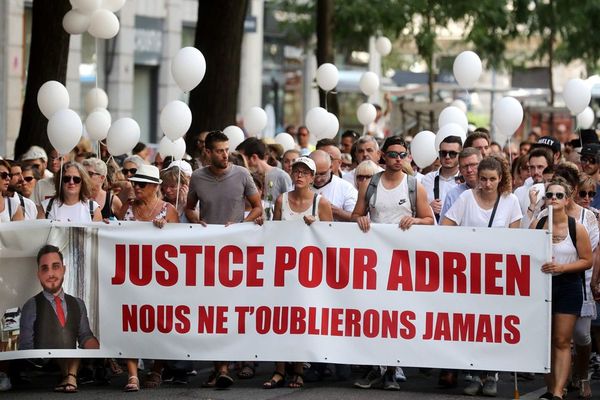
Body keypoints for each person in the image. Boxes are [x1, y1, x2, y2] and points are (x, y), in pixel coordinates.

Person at [351, 136, 434, 390]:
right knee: (376, 314)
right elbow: (357, 213)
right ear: (382, 157)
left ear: (407, 157)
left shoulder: (414, 186)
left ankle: (391, 370)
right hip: (375, 261)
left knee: (396, 315)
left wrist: (415, 221)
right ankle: (376, 367)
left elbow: (429, 219)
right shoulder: (370, 185)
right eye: (393, 154)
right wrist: (360, 220)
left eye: (402, 155)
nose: (398, 159)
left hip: (403, 261)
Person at [185, 130, 262, 389]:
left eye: (227, 149)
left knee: (232, 309)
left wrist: (241, 223)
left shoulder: (241, 174)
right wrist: (197, 219)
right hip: (208, 253)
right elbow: (188, 207)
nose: (225, 154)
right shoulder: (197, 177)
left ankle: (226, 366)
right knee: (213, 312)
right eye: (219, 150)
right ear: (207, 152)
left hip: (237, 251)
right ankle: (221, 368)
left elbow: (258, 206)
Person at [442, 156, 521, 396]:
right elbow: (446, 226)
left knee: (493, 325)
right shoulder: (466, 198)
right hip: (468, 273)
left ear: (500, 179)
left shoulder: (511, 201)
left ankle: (492, 375)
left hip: (497, 274)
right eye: (483, 179)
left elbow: (515, 239)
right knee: (473, 325)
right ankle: (474, 374)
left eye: (492, 179)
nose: (487, 184)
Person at [262, 157, 333, 389]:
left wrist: (317, 226)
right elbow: (274, 230)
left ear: (313, 177)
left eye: (305, 172)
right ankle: (279, 370)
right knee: (280, 318)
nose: (300, 175)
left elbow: (333, 236)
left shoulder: (320, 203)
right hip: (283, 269)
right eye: (296, 171)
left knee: (303, 319)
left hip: (309, 273)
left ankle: (299, 370)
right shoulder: (282, 199)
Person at [115, 164, 179, 391]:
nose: (136, 187)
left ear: (154, 187)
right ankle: (133, 374)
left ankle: (157, 369)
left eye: (141, 184)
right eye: (134, 183)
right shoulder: (126, 208)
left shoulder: (168, 210)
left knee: (159, 323)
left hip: (160, 277)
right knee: (130, 321)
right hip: (131, 275)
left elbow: (181, 246)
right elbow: (116, 236)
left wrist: (165, 230)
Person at [531, 177, 593, 400]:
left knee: (562, 340)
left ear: (567, 200)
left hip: (569, 285)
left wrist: (563, 267)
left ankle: (558, 391)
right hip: (542, 287)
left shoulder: (577, 228)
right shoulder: (538, 224)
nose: (553, 199)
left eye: (558, 195)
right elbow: (525, 253)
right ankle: (551, 389)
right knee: (546, 340)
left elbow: (587, 260)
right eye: (549, 195)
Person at [19, 245, 100, 393]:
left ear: (63, 269)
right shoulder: (31, 305)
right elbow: (26, 347)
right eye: (44, 268)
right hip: (45, 367)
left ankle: (70, 376)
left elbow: (84, 336)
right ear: (38, 274)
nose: (50, 273)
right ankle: (70, 376)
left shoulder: (78, 303)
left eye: (55, 267)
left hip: (73, 362)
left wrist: (102, 348)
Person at [237, 137, 292, 220]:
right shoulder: (246, 177)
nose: (242, 163)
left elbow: (290, 207)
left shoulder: (281, 176)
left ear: (254, 158)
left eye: (243, 159)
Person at [37, 161, 102, 222]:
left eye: (76, 179)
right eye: (66, 179)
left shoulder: (93, 209)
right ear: (60, 181)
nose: (71, 182)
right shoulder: (45, 207)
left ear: (83, 182)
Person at [439, 148, 482, 235]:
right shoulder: (453, 195)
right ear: (460, 170)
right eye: (465, 166)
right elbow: (443, 230)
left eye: (473, 165)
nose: (469, 170)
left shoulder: (494, 192)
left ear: (482, 165)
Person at [421, 135, 463, 221]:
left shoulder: (465, 181)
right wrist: (428, 209)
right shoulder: (427, 179)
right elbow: (416, 209)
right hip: (432, 231)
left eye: (452, 154)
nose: (447, 157)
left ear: (460, 155)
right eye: (443, 153)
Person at [310, 150, 357, 222]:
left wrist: (335, 211)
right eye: (314, 174)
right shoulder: (300, 185)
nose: (318, 179)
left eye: (323, 174)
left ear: (331, 167)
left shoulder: (346, 188)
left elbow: (356, 218)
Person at [515, 147, 554, 228]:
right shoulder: (519, 192)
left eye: (540, 167)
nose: (536, 172)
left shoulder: (559, 193)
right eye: (532, 167)